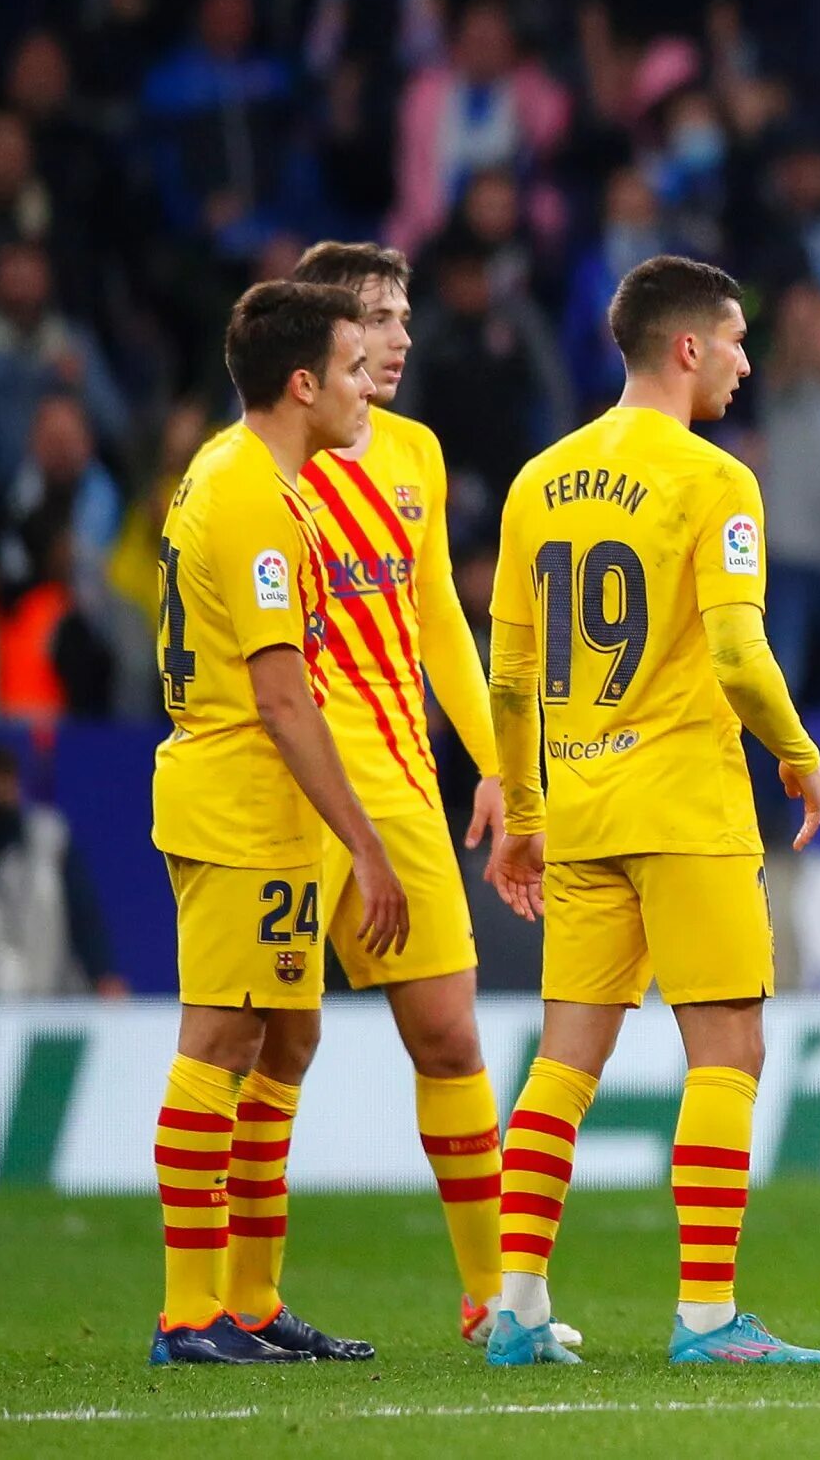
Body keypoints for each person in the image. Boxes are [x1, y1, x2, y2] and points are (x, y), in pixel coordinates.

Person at [481, 257, 820, 1369]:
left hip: (580, 809)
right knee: (726, 1051)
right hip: (684, 805)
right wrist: (796, 749)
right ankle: (707, 1317)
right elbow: (736, 646)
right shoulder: (715, 479)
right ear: (685, 348)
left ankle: (517, 1308)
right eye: (732, 340)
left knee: (561, 1065)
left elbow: (509, 676)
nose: (743, 360)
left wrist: (527, 812)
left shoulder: (539, 480)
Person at [285, 243, 540, 1348]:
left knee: (449, 1036)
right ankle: (236, 1301)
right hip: (289, 787)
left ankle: (494, 1301)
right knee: (271, 1044)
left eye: (402, 317)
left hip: (397, 781)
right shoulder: (262, 466)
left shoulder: (418, 456)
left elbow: (438, 615)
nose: (398, 339)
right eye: (376, 318)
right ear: (320, 344)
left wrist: (491, 762)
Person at [148, 280, 398, 1365]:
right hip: (243, 799)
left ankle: (249, 1298)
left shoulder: (252, 475)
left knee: (286, 1036)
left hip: (265, 807)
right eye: (351, 370)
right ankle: (188, 1310)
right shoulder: (251, 493)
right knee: (221, 1039)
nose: (364, 391)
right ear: (302, 383)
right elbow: (281, 696)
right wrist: (368, 840)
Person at [0, 742, 124, 998]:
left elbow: (83, 912)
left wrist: (103, 973)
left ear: (14, 786)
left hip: (49, 994)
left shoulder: (49, 838)